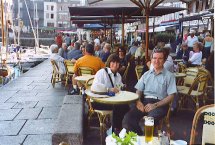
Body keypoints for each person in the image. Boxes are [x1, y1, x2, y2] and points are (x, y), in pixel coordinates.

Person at [122, 47, 177, 135]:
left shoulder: (169, 76)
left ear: (164, 60)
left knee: (148, 121)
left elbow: (171, 96)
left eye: (160, 58)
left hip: (160, 104)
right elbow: (139, 90)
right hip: (145, 102)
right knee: (128, 119)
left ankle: (145, 139)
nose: (156, 61)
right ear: (151, 60)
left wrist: (155, 105)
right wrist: (139, 101)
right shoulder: (146, 74)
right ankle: (139, 139)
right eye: (154, 58)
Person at [92, 54, 128, 132]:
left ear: (119, 65)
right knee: (118, 106)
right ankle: (114, 129)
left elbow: (119, 87)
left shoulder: (118, 76)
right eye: (113, 62)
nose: (115, 65)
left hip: (111, 100)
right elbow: (94, 86)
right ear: (109, 62)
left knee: (126, 106)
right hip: (99, 101)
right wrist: (108, 89)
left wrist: (122, 87)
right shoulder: (102, 72)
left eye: (117, 63)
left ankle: (118, 127)